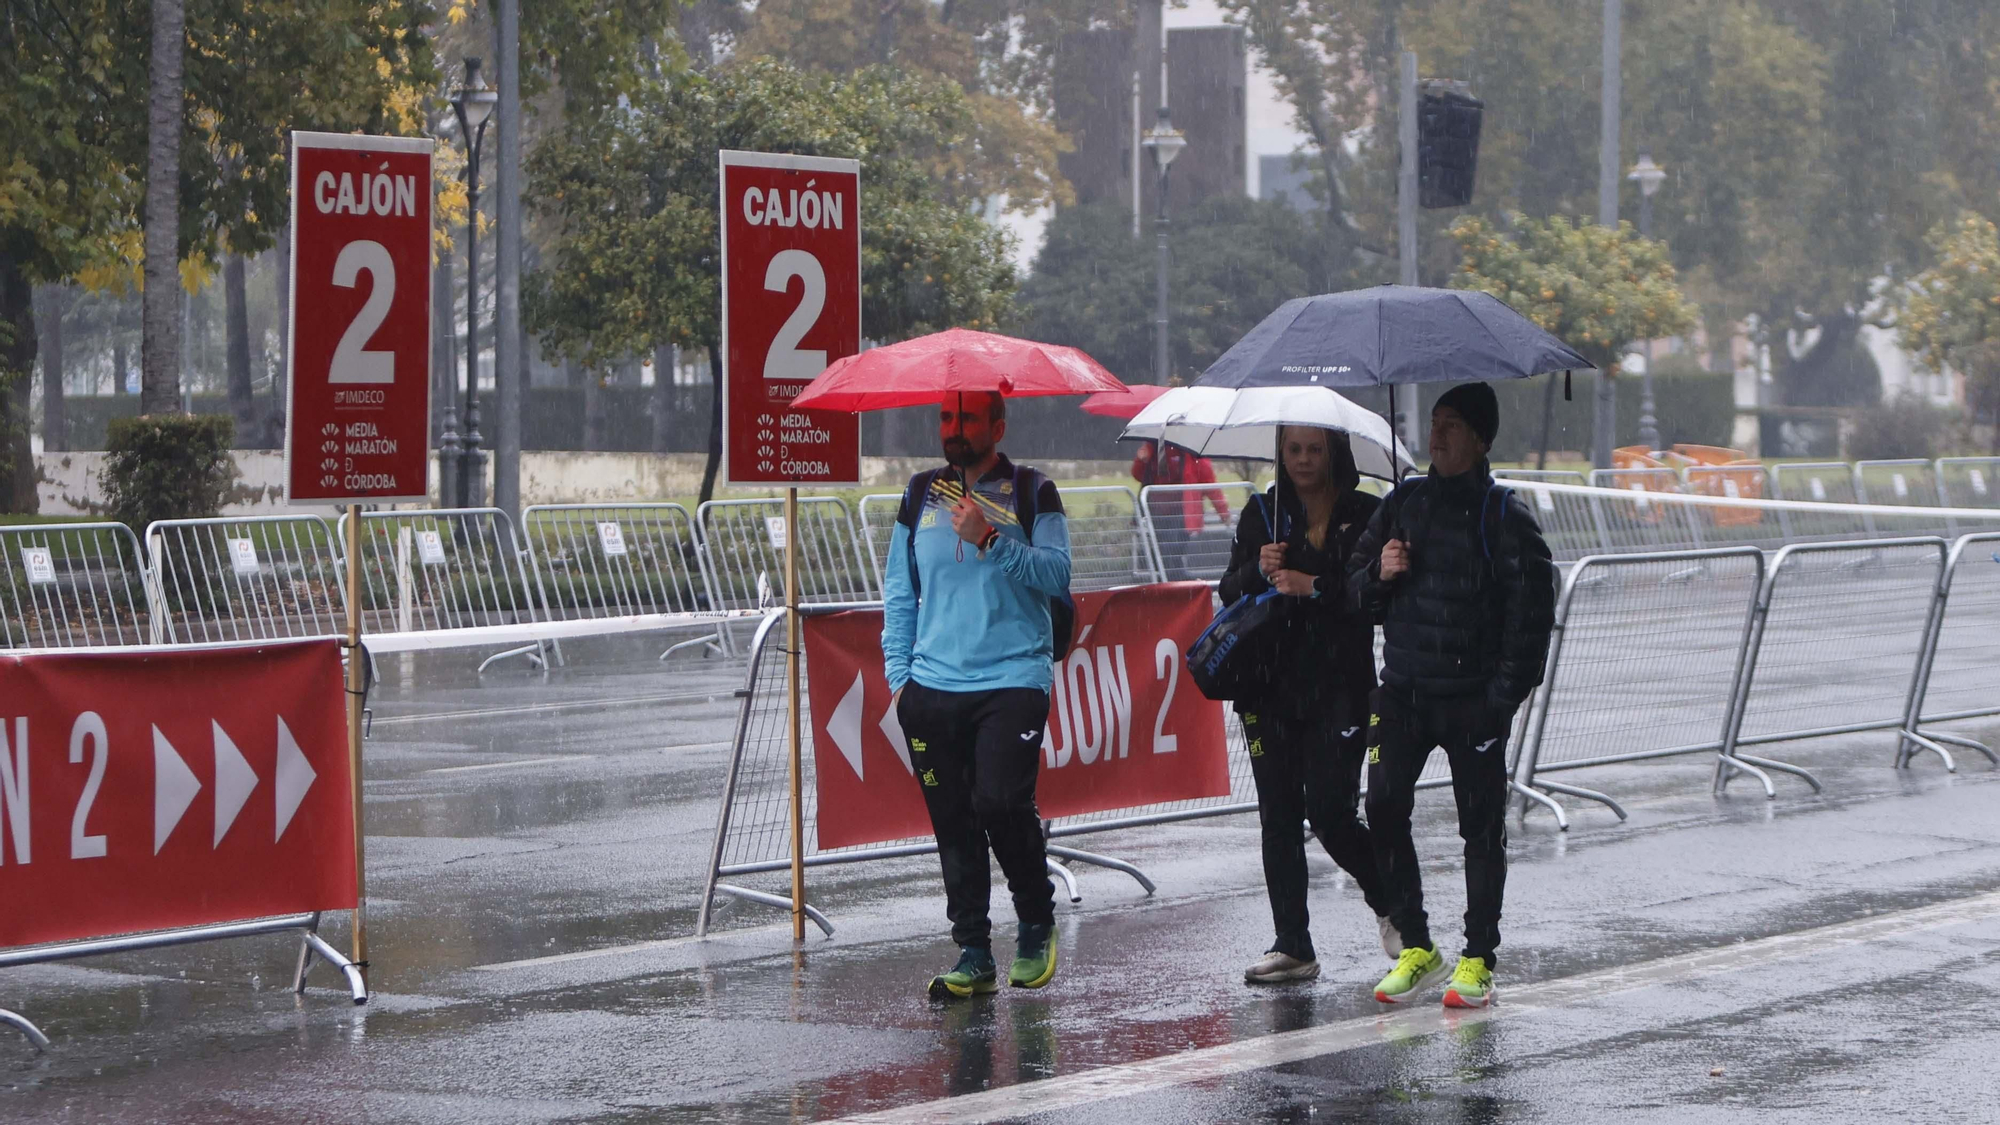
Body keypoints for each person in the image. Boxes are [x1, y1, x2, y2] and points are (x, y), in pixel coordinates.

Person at [1346, 382, 1556, 1009]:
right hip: (1404, 694)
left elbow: (1532, 619)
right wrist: (1379, 573)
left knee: (1479, 829)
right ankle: (1417, 946)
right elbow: (1354, 594)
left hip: (1473, 703)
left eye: (1453, 426)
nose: (1436, 436)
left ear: (1482, 439)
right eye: (1433, 423)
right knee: (1382, 808)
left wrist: (1499, 697)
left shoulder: (1504, 517)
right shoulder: (1402, 502)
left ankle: (1477, 958)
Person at [883, 391, 1073, 1000]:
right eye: (946, 418)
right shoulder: (918, 494)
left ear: (996, 426)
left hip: (1013, 678)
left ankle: (1036, 922)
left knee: (999, 803)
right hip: (932, 686)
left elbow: (1056, 574)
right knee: (954, 822)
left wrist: (991, 538)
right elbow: (899, 592)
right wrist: (900, 682)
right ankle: (972, 950)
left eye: (966, 419)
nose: (953, 429)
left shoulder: (1032, 490)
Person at [1220, 426, 1401, 984]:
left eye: (1313, 449)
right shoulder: (1262, 513)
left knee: (1328, 812)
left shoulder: (1367, 512)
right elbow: (1230, 591)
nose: (1301, 460)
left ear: (1334, 452)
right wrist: (1259, 568)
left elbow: (1371, 596)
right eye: (1292, 449)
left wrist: (1312, 583)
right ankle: (1292, 944)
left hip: (1338, 688)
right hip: (1266, 686)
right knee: (1276, 817)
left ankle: (1389, 898)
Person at [1133, 440, 1232, 580]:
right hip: (1156, 513)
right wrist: (1141, 459)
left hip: (1182, 514)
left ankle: (1173, 584)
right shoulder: (1153, 448)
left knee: (1172, 550)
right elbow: (1138, 475)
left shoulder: (1193, 452)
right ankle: (1175, 584)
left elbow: (1209, 482)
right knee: (1163, 553)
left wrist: (1223, 511)